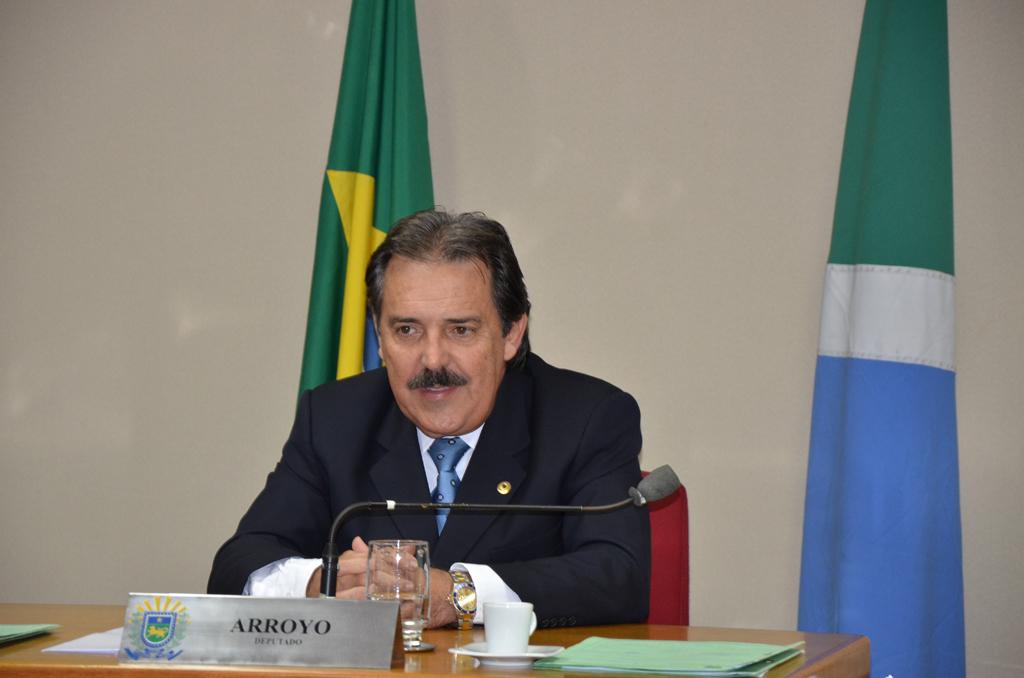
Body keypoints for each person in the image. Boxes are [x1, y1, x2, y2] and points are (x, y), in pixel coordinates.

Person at [208, 209, 650, 628]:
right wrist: (323, 583)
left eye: (461, 330)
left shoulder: (586, 417)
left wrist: (458, 593)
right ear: (379, 336)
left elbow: (618, 575)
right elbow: (239, 563)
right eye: (407, 330)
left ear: (511, 333)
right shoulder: (334, 419)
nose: (433, 359)